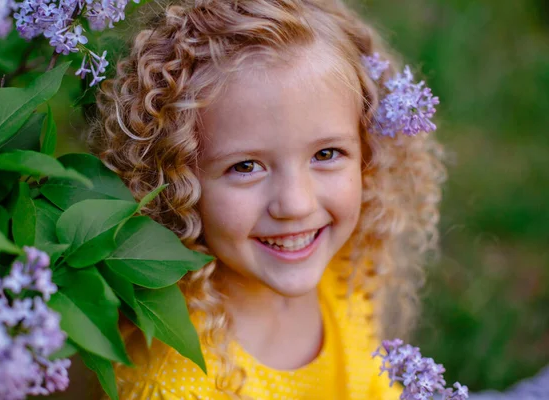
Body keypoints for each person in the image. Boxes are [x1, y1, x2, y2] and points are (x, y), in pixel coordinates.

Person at [89, 0, 445, 398]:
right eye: (245, 166)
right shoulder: (174, 384)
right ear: (175, 179)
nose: (296, 205)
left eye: (325, 155)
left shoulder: (345, 270)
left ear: (368, 152)